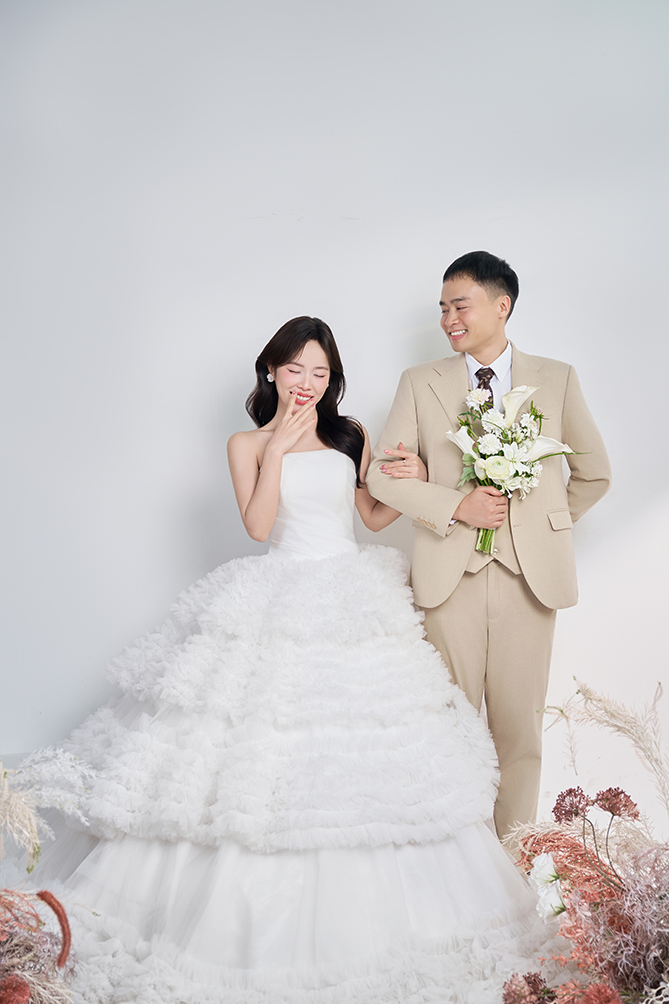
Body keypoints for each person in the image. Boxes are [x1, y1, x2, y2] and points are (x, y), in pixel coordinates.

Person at [31, 316, 556, 1003]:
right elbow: (257, 526)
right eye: (295, 369)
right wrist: (277, 446)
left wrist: (417, 479)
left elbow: (372, 517)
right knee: (255, 750)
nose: (307, 383)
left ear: (331, 379)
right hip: (278, 589)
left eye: (319, 372)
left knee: (364, 748)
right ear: (271, 372)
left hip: (349, 592)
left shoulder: (350, 433)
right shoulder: (245, 443)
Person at [366, 252, 612, 843]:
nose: (448, 319)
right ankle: (452, 867)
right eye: (443, 308)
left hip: (530, 581)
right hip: (448, 577)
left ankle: (515, 866)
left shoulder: (557, 378)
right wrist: (456, 506)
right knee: (447, 731)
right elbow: (380, 479)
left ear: (502, 306)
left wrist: (540, 526)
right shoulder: (419, 382)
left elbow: (595, 473)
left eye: (460, 305)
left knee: (519, 735)